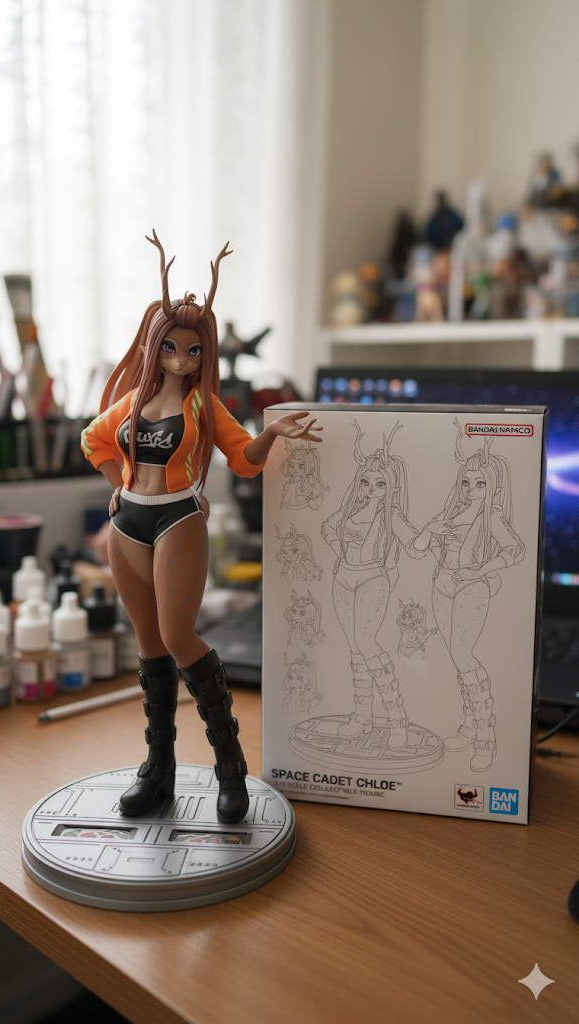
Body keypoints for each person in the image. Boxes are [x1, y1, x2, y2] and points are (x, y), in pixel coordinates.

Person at [81, 231, 321, 822]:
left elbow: (242, 459)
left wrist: (271, 434)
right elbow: (93, 439)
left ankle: (230, 767)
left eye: (193, 351)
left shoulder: (203, 405)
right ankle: (157, 769)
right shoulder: (132, 404)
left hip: (178, 519)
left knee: (179, 637)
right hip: (128, 523)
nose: (182, 359)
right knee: (148, 645)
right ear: (153, 346)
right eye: (171, 348)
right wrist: (118, 480)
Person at [410, 421, 525, 772]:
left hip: (471, 587)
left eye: (480, 483)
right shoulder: (450, 513)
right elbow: (416, 549)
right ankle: (470, 726)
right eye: (466, 482)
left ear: (493, 486)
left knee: (462, 654)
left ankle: (486, 735)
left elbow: (515, 549)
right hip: (441, 585)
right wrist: (429, 530)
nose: (472, 489)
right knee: (456, 657)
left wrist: (480, 571)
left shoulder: (492, 516)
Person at [321, 420, 423, 747]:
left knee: (365, 643)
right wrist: (339, 548)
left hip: (371, 578)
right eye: (366, 481)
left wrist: (432, 536)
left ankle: (397, 717)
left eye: (380, 483)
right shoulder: (353, 507)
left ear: (391, 485)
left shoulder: (391, 513)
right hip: (343, 578)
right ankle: (362, 714)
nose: (371, 488)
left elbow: (414, 543)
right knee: (354, 648)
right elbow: (327, 527)